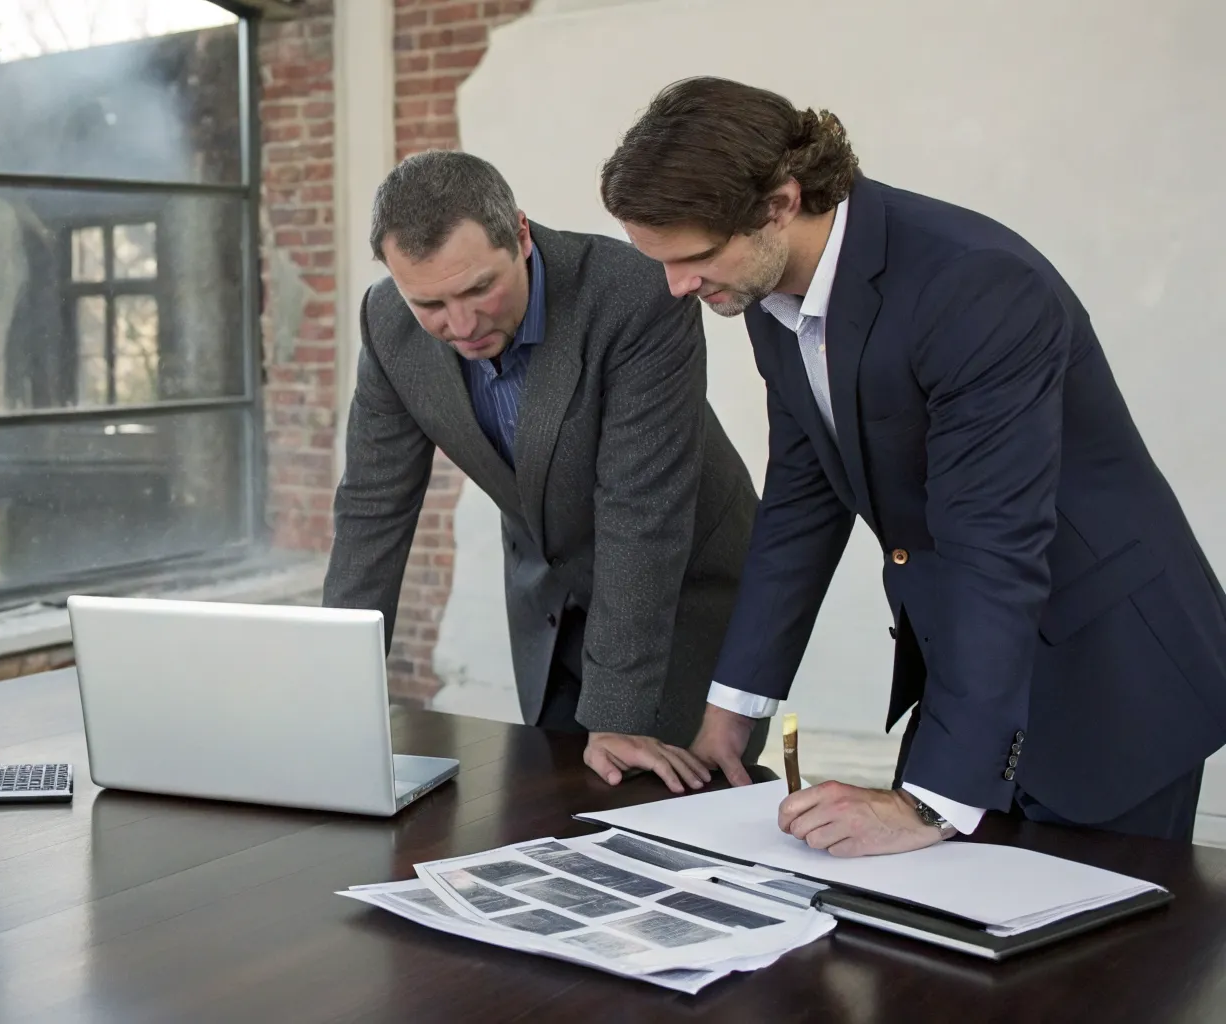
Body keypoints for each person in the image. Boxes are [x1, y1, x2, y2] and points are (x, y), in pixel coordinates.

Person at [600, 76, 1226, 853]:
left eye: (694, 258)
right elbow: (800, 503)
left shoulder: (974, 285)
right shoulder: (763, 295)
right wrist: (733, 710)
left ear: (779, 203)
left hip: (1114, 675)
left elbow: (991, 546)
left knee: (1093, 966)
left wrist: (929, 802)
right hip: (972, 665)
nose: (677, 287)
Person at [324, 150, 765, 793]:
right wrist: (333, 697)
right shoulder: (389, 321)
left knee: (665, 816)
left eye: (480, 288)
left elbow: (641, 511)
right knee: (548, 804)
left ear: (521, 236)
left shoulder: (634, 293)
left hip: (679, 591)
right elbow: (371, 507)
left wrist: (617, 715)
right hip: (547, 596)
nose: (463, 325)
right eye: (432, 304)